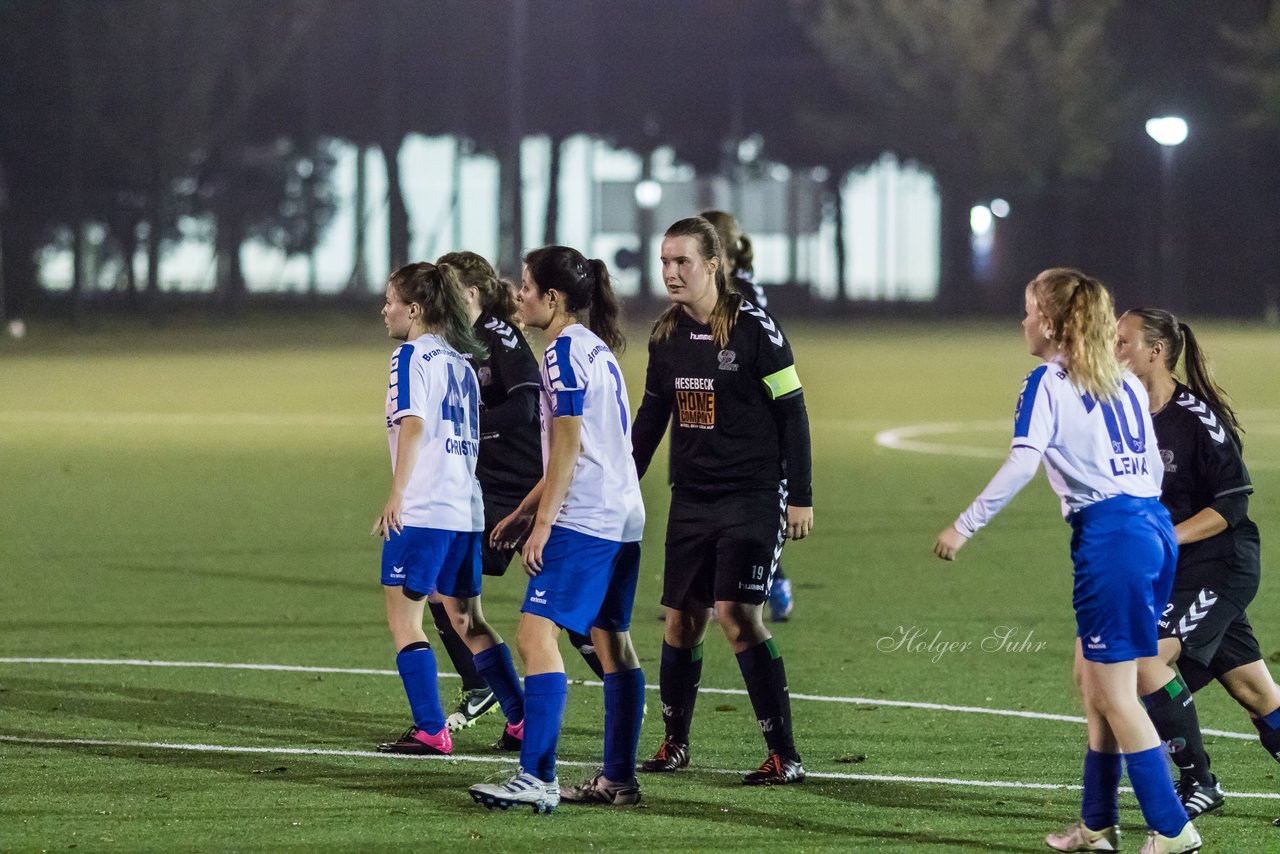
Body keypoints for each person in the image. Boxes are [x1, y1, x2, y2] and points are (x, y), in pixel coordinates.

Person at [933, 269, 1200, 854]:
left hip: (1112, 541)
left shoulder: (1047, 382)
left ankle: (1173, 829)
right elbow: (1151, 469)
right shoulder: (1124, 381)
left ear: (1052, 324)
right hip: (1151, 530)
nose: (1023, 321)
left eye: (1029, 311)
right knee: (1093, 679)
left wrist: (964, 525)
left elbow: (1023, 463)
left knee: (1117, 693)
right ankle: (1098, 823)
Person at [632, 216, 813, 786]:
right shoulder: (665, 337)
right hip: (691, 497)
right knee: (681, 621)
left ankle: (785, 754)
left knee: (738, 616)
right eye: (665, 262)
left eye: (682, 261)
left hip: (753, 495)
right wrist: (621, 479)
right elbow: (651, 418)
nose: (671, 272)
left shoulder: (756, 330)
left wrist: (800, 496)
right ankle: (674, 743)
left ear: (713, 265)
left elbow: (793, 412)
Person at [468, 246, 646, 813]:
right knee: (612, 643)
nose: (518, 295)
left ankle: (536, 775)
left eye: (525, 287)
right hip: (623, 515)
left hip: (586, 516)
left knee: (533, 635)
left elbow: (568, 444)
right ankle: (617, 778)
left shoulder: (561, 351)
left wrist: (543, 525)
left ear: (552, 297)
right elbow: (585, 446)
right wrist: (524, 510)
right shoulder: (595, 348)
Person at [424, 251, 606, 739]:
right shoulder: (447, 340)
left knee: (551, 599)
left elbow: (525, 408)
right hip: (480, 486)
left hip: (519, 485)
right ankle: (485, 687)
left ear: (468, 295)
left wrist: (462, 426)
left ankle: (616, 679)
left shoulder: (500, 336)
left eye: (442, 290)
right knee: (445, 585)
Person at [1118, 308, 1280, 819]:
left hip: (1220, 563)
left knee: (1148, 662)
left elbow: (1232, 504)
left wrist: (1164, 536)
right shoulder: (1123, 413)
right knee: (1254, 690)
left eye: (1123, 341)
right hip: (1176, 571)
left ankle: (1199, 782)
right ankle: (1198, 780)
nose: (1114, 350)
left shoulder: (1196, 418)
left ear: (1156, 351)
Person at [371, 262, 526, 757]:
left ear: (414, 309)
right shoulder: (461, 361)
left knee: (405, 621)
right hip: (466, 510)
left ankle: (430, 729)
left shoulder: (410, 357)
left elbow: (413, 425)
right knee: (468, 620)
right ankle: (522, 719)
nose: (385, 309)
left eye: (391, 300)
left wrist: (397, 494)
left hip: (424, 510)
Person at [700, 209, 794, 622]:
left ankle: (767, 586)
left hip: (741, 418)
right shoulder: (741, 283)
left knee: (741, 519)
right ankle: (704, 593)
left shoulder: (741, 293)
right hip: (717, 415)